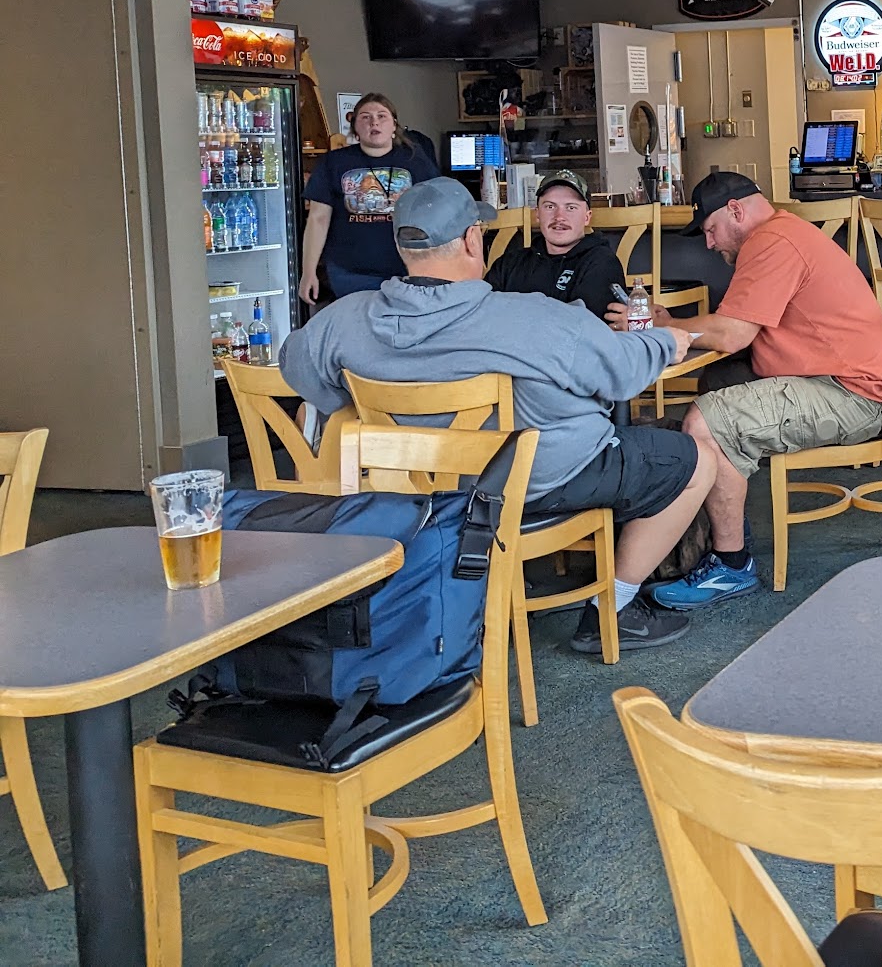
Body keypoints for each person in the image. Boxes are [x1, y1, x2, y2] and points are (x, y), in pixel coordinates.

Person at [280, 177, 711, 653]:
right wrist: (665, 341)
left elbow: (298, 372)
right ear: (471, 239)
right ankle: (613, 610)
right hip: (533, 482)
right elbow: (621, 374)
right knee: (695, 461)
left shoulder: (342, 318)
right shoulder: (535, 317)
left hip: (409, 487)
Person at [642, 172, 882, 610]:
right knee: (717, 383)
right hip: (837, 380)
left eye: (710, 229)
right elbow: (737, 330)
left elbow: (733, 334)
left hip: (850, 395)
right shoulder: (785, 233)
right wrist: (676, 326)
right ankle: (722, 527)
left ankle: (730, 565)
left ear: (736, 211)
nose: (709, 243)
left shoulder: (771, 243)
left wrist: (666, 327)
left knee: (706, 418)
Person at [299, 92, 439, 304]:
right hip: (349, 273)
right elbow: (318, 219)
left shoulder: (416, 161)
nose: (374, 122)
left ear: (394, 126)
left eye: (382, 116)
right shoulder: (334, 163)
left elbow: (434, 212)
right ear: (355, 127)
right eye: (365, 117)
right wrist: (308, 272)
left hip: (407, 270)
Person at [485, 171, 626, 318]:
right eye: (550, 207)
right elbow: (482, 318)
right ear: (538, 214)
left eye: (571, 207)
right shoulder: (508, 264)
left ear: (587, 217)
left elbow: (585, 330)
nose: (559, 217)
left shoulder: (601, 264)